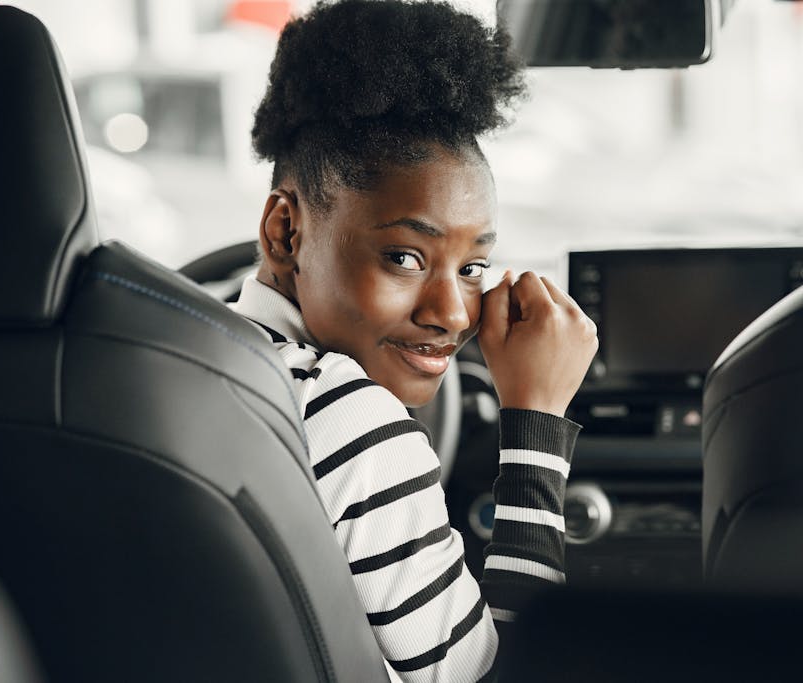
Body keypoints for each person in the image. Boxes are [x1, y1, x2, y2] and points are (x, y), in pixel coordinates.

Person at [230, 0, 598, 679]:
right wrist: (536, 422)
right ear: (285, 232)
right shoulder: (347, 421)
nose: (454, 314)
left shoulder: (182, 363)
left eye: (473, 268)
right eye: (404, 257)